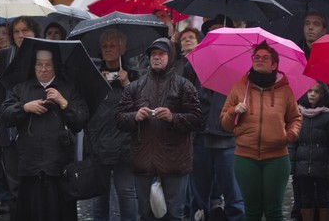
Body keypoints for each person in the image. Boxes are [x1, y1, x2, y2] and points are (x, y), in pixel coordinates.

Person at [116, 37, 203, 221]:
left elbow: (197, 120)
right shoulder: (135, 86)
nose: (156, 57)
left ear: (170, 57)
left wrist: (174, 117)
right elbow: (119, 119)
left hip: (175, 163)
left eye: (161, 54)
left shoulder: (184, 85)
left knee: (174, 214)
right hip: (144, 162)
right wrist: (135, 116)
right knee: (145, 215)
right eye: (153, 54)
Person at [0, 48, 89, 221]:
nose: (43, 69)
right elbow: (5, 115)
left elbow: (81, 120)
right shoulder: (21, 88)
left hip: (60, 167)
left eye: (48, 65)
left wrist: (63, 102)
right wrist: (24, 107)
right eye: (39, 64)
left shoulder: (68, 88)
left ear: (55, 66)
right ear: (33, 66)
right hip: (30, 167)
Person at [220, 41, 302, 221]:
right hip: (245, 157)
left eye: (265, 58)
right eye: (256, 57)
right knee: (252, 211)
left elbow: (295, 118)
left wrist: (289, 135)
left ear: (274, 64)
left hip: (277, 158)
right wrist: (234, 111)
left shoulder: (285, 91)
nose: (259, 60)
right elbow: (225, 124)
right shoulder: (240, 88)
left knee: (274, 211)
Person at [0, 16, 39, 218]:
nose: (21, 35)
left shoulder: (43, 55)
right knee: (14, 187)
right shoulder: (4, 56)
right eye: (17, 31)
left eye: (25, 30)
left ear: (35, 32)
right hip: (10, 132)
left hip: (36, 130)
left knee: (36, 185)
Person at [187, 18, 243, 221]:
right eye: (211, 31)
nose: (216, 34)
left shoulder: (241, 62)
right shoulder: (196, 60)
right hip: (200, 137)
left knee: (234, 196)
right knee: (198, 198)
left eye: (220, 30)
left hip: (228, 139)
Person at [85, 29, 137, 221]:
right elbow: (85, 106)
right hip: (99, 144)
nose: (108, 49)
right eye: (104, 46)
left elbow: (142, 106)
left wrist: (127, 84)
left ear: (123, 49)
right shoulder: (94, 76)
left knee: (126, 193)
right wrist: (98, 84)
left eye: (112, 45)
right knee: (99, 195)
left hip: (126, 145)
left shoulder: (135, 76)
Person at [289, 82, 329, 221]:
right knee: (305, 198)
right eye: (309, 91)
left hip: (322, 166)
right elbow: (293, 142)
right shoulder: (298, 115)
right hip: (303, 167)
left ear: (322, 95)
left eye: (316, 92)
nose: (312, 94)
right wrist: (292, 165)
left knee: (324, 198)